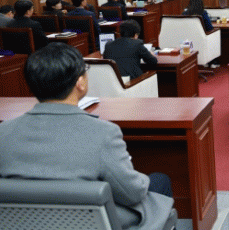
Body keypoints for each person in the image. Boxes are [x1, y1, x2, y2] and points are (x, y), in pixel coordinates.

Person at [0, 43, 175, 230]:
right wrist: (140, 177)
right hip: (91, 223)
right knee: (159, 181)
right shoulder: (104, 133)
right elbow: (132, 193)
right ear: (80, 83)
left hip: (23, 224)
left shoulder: (4, 132)